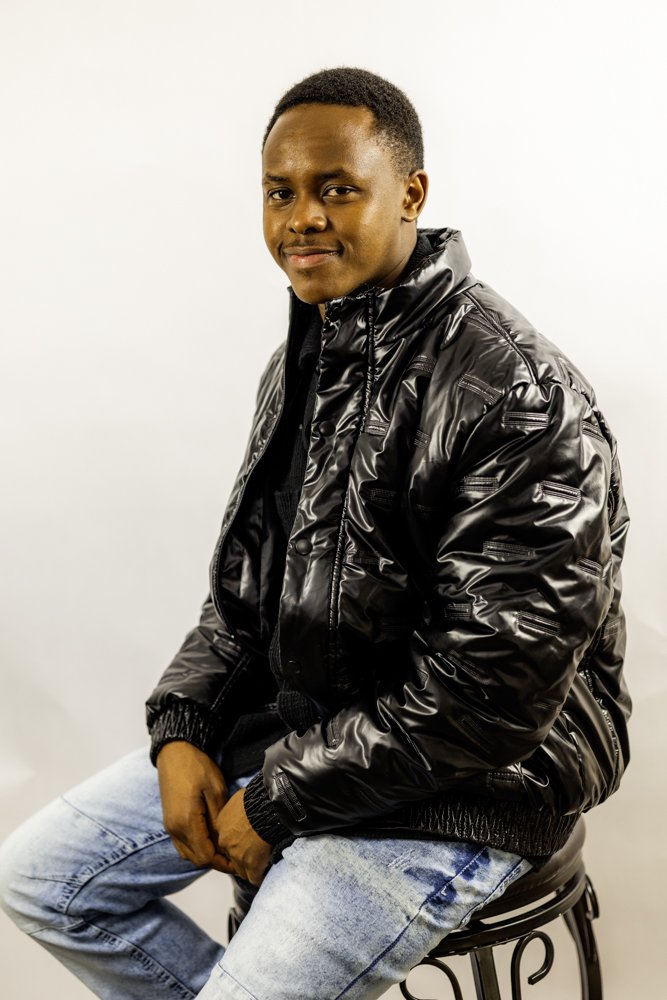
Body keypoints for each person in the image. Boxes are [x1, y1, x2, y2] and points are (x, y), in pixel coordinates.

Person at [0, 67, 631, 1000]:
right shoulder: (306, 358)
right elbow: (243, 597)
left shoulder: (515, 392)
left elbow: (491, 692)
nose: (301, 218)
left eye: (336, 188)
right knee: (43, 880)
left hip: (476, 779)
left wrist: (279, 799)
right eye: (279, 192)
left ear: (410, 194)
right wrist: (183, 728)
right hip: (318, 731)